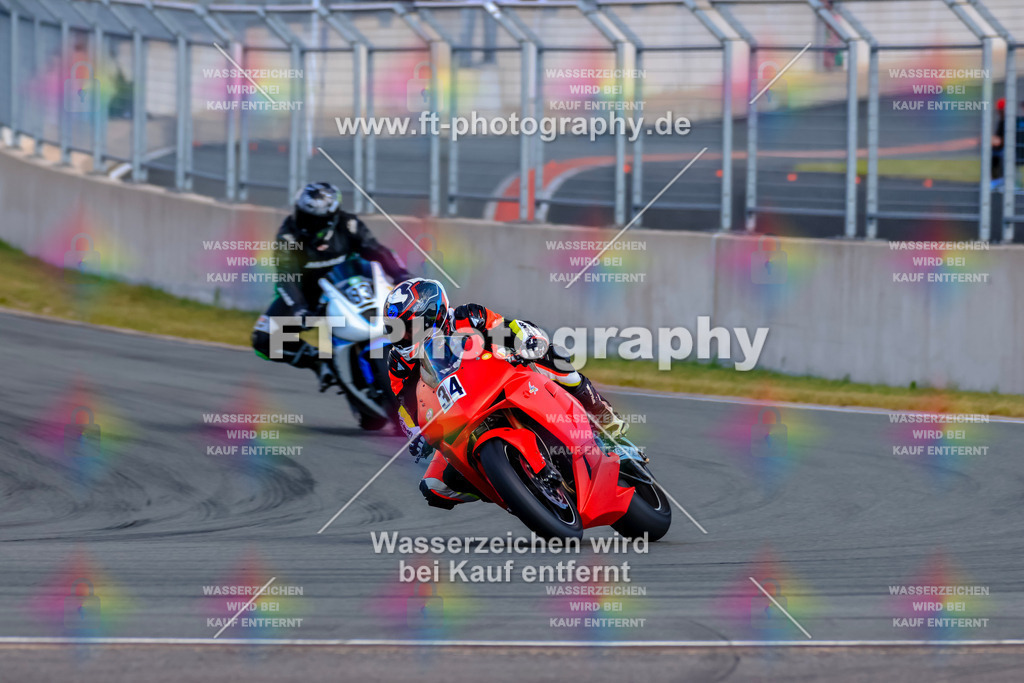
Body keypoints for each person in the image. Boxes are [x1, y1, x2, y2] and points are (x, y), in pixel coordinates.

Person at [383, 277, 629, 510]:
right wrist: (415, 432)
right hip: (457, 413)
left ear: (429, 316)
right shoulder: (399, 362)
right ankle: (505, 484)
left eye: (407, 329)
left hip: (503, 376)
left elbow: (505, 326)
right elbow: (405, 404)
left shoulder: (466, 315)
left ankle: (601, 412)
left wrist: (526, 338)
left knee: (551, 357)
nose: (402, 337)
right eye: (395, 330)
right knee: (433, 487)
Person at [251, 182, 411, 390]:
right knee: (264, 338)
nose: (308, 225)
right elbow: (286, 278)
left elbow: (377, 251)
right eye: (304, 215)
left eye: (316, 221)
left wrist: (401, 274)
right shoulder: (288, 237)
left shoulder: (348, 224)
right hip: (308, 294)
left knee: (412, 309)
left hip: (351, 282)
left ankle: (424, 358)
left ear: (331, 216)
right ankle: (319, 361)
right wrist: (300, 309)